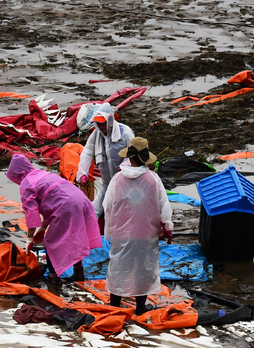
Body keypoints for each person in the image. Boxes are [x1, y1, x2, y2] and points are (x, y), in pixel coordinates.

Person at [103, 137, 173, 316]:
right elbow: (164, 206)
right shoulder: (153, 179)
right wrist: (168, 227)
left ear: (130, 157)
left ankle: (115, 305)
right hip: (145, 232)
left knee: (118, 265)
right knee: (143, 266)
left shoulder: (117, 178)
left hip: (121, 232)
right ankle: (140, 306)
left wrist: (109, 229)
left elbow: (107, 205)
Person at [6, 154, 102, 283]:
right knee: (76, 237)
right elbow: (51, 202)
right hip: (81, 200)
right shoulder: (43, 174)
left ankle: (53, 276)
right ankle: (79, 272)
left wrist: (29, 238)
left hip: (66, 207)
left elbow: (31, 212)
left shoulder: (27, 183)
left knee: (51, 241)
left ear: (16, 174)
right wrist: (43, 228)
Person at [77, 102, 134, 229]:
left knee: (123, 209)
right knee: (95, 208)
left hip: (125, 181)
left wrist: (124, 166)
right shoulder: (96, 135)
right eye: (98, 123)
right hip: (107, 182)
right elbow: (86, 153)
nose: (101, 126)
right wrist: (83, 173)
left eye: (103, 122)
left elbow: (133, 153)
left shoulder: (125, 132)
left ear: (110, 120)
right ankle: (91, 233)